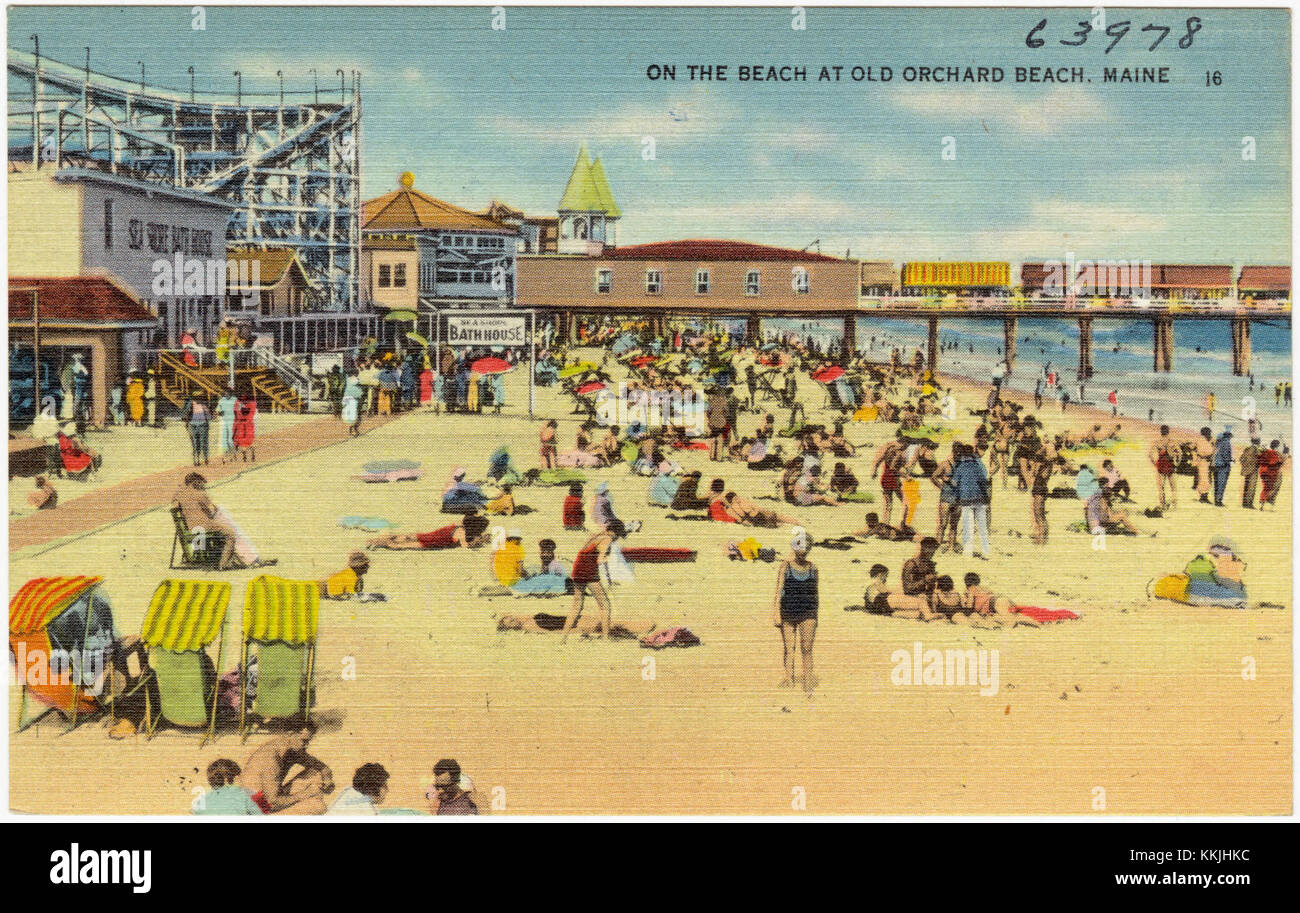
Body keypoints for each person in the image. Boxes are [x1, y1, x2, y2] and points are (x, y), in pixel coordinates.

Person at [172, 472, 270, 570]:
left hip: (190, 528)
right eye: (201, 483)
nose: (203, 486)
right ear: (196, 482)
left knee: (227, 525)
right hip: (204, 527)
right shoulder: (200, 494)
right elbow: (212, 511)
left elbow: (175, 504)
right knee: (231, 533)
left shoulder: (180, 495)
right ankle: (224, 564)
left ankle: (249, 558)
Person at [238, 722, 334, 815]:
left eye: (308, 741)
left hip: (270, 798)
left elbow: (322, 768)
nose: (306, 745)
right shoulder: (270, 759)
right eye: (304, 741)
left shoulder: (290, 749)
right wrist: (306, 794)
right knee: (318, 807)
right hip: (259, 808)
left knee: (315, 772)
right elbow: (272, 803)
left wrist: (327, 780)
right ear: (291, 734)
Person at [562, 519, 626, 639]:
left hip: (577, 569)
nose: (617, 538)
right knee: (605, 605)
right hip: (589, 572)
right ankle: (605, 638)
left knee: (576, 605)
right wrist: (609, 561)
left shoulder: (596, 535)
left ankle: (563, 638)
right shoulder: (607, 539)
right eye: (618, 535)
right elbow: (600, 560)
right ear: (615, 532)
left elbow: (584, 551)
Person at [771, 527, 818, 691]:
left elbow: (815, 594)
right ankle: (789, 679)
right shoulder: (785, 566)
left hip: (808, 613)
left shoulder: (813, 568)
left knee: (807, 649)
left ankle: (807, 681)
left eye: (807, 547)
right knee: (789, 649)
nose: (803, 551)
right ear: (794, 546)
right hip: (788, 611)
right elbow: (778, 591)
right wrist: (776, 614)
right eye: (800, 546)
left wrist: (815, 617)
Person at [950, 443, 991, 559]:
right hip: (980, 499)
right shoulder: (977, 466)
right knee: (982, 526)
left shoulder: (960, 467)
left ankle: (968, 552)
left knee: (968, 526)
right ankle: (986, 551)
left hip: (966, 499)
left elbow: (954, 483)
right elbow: (984, 481)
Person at [367, 513, 491, 550]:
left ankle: (377, 540)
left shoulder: (460, 526)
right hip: (431, 542)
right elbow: (466, 546)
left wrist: (479, 537)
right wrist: (477, 543)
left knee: (406, 537)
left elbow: (468, 518)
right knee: (402, 546)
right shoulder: (462, 533)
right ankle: (380, 543)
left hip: (431, 535)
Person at [859, 564, 934, 619]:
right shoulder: (876, 581)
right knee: (920, 602)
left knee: (916, 614)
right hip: (883, 600)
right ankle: (929, 616)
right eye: (886, 575)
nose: (886, 577)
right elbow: (885, 591)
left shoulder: (869, 584)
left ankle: (925, 615)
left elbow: (868, 600)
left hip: (878, 608)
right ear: (880, 574)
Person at [194, 759, 264, 816]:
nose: (241, 781)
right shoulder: (242, 796)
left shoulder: (200, 802)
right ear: (227, 780)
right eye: (238, 777)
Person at [1150, 425, 1178, 510]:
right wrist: (1176, 463)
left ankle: (1162, 505)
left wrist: (1155, 463)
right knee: (1173, 487)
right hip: (1170, 465)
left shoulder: (1158, 442)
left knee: (1161, 487)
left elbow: (1150, 454)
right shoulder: (1172, 441)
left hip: (1161, 466)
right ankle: (1174, 505)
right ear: (1168, 431)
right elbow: (1179, 453)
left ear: (1161, 432)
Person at [182, 393, 212, 466]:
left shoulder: (202, 405)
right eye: (196, 397)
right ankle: (199, 459)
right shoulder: (191, 404)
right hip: (195, 426)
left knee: (201, 443)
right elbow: (185, 415)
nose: (198, 399)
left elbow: (208, 416)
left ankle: (203, 459)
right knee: (198, 443)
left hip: (200, 425)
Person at [1257, 440, 1287, 508]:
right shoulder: (1274, 453)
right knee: (1269, 488)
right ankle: (1264, 502)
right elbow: (1275, 463)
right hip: (1270, 473)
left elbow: (1259, 459)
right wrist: (1281, 462)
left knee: (1265, 487)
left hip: (1263, 472)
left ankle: (1262, 502)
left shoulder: (1265, 451)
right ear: (1277, 446)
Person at [1211, 428, 1233, 507]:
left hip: (1216, 465)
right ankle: (1218, 501)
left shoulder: (1218, 443)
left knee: (1216, 484)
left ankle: (1216, 500)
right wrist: (1231, 460)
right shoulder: (1227, 443)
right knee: (1221, 484)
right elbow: (1225, 455)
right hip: (1223, 466)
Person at [233, 389, 257, 461]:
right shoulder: (253, 403)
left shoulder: (239, 402)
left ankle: (245, 455)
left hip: (243, 424)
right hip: (248, 424)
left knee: (242, 441)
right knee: (248, 441)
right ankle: (250, 454)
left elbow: (238, 412)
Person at [216, 386, 237, 462]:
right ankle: (225, 455)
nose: (226, 394)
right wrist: (219, 412)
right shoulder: (222, 400)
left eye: (228, 393)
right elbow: (218, 410)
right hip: (225, 422)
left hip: (233, 422)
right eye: (225, 393)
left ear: (231, 393)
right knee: (224, 439)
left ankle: (233, 455)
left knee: (230, 439)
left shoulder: (235, 400)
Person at [1239, 437, 1262, 508]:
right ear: (1258, 442)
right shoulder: (1256, 449)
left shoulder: (1247, 449)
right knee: (1251, 487)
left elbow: (1241, 459)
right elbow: (1260, 458)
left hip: (1247, 470)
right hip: (1253, 470)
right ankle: (1249, 504)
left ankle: (1244, 503)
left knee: (1246, 487)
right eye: (1259, 441)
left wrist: (1245, 466)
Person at [1194, 427, 1214, 503]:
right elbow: (1202, 452)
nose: (1210, 434)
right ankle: (1203, 497)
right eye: (1209, 433)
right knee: (1204, 479)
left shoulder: (1207, 440)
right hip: (1203, 461)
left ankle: (1204, 496)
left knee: (1206, 479)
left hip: (1206, 462)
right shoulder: (1201, 440)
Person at [342, 371, 363, 436]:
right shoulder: (354, 379)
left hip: (349, 398)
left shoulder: (347, 380)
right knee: (354, 415)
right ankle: (354, 430)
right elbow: (357, 381)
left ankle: (352, 430)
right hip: (353, 399)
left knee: (351, 415)